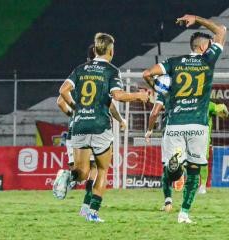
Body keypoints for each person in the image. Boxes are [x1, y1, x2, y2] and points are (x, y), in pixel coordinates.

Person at [53, 33, 149, 222]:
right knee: (102, 169)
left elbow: (62, 91)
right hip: (100, 126)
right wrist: (139, 96)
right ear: (111, 51)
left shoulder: (80, 69)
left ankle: (67, 175)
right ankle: (92, 212)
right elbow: (118, 96)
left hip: (80, 125)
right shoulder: (111, 71)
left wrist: (76, 107)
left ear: (95, 49)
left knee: (81, 173)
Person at [143, 14, 227, 223]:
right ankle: (184, 213)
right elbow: (222, 30)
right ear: (201, 47)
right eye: (208, 44)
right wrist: (196, 18)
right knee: (194, 170)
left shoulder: (174, 63)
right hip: (198, 124)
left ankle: (176, 166)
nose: (210, 47)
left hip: (175, 123)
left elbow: (146, 73)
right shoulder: (208, 60)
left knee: (172, 172)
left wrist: (165, 92)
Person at [55, 43, 127, 217]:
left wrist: (74, 111)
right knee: (96, 170)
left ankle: (84, 205)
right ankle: (89, 209)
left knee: (82, 174)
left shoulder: (80, 74)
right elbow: (109, 104)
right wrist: (120, 119)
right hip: (97, 127)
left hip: (77, 129)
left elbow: (60, 100)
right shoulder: (104, 75)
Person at [198, 101, 228, 194]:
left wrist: (223, 110)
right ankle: (189, 183)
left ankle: (202, 186)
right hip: (190, 135)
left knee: (203, 161)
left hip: (204, 138)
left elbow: (222, 110)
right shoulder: (191, 103)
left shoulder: (209, 104)